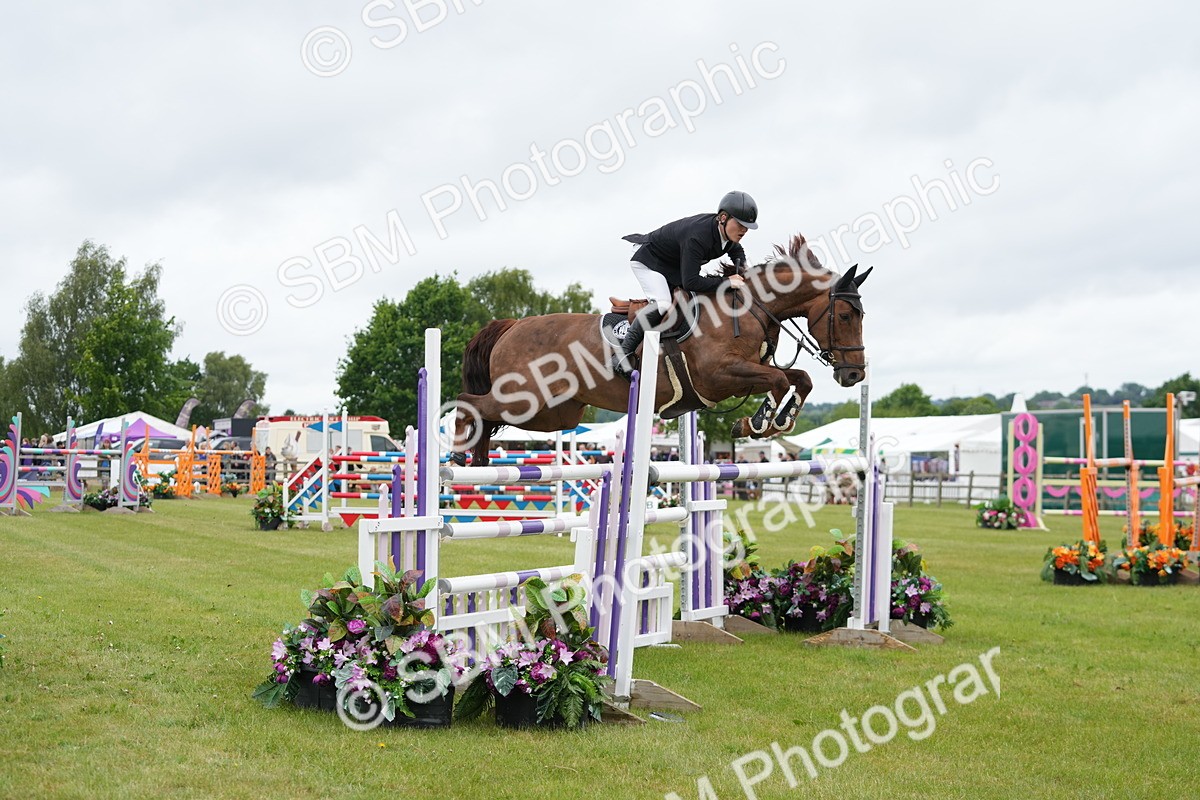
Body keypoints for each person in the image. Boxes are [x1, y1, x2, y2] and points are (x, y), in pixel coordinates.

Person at [614, 190, 758, 376]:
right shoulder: (697, 237)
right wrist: (727, 281)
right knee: (663, 303)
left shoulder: (727, 234)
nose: (744, 230)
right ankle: (622, 353)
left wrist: (743, 271)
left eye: (747, 226)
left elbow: (736, 251)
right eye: (740, 224)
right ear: (723, 218)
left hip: (672, 265)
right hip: (650, 262)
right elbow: (690, 282)